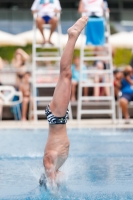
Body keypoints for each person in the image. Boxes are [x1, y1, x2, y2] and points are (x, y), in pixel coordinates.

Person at [41, 17, 88, 189]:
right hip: (60, 119)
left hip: (57, 117)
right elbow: (58, 175)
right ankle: (72, 37)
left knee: (65, 74)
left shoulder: (48, 162)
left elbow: (50, 174)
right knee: (66, 75)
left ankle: (72, 36)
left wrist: (53, 190)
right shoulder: (56, 166)